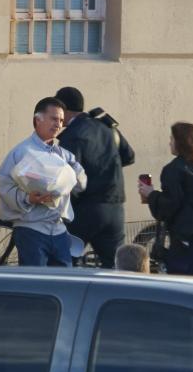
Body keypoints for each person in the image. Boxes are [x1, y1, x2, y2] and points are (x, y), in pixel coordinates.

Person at [0, 97, 87, 267]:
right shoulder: (21, 152)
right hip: (31, 230)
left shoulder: (64, 155)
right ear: (37, 119)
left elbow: (82, 183)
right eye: (54, 118)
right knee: (36, 286)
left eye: (61, 120)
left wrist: (70, 173)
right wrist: (28, 198)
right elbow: (5, 185)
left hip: (59, 230)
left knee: (65, 285)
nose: (58, 124)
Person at [54, 86, 135, 268]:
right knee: (116, 266)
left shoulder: (72, 136)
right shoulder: (108, 128)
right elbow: (129, 156)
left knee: (63, 262)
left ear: (64, 109)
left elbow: (69, 176)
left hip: (86, 209)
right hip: (115, 208)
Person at [138, 122, 193, 277]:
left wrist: (151, 194)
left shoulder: (174, 169)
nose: (169, 143)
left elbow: (169, 207)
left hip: (189, 244)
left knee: (184, 290)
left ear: (181, 142)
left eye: (172, 139)